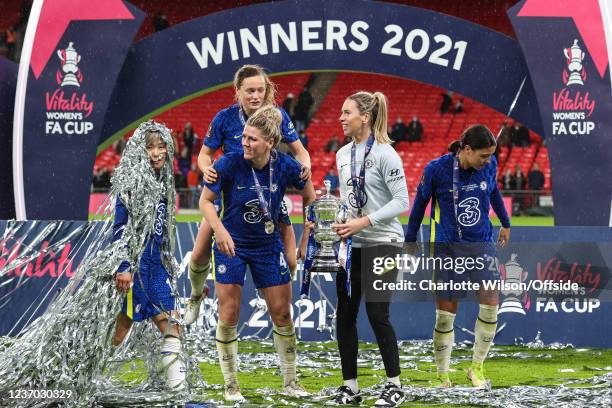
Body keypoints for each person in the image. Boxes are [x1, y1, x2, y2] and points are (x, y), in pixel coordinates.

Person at [200, 105, 315, 401]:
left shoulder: (287, 166)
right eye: (245, 137)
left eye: (252, 139)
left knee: (282, 314)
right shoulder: (228, 163)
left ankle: (291, 382)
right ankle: (231, 385)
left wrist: (304, 240)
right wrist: (219, 230)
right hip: (232, 244)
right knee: (229, 313)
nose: (245, 143)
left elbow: (311, 198)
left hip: (268, 246)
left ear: (271, 143)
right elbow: (204, 201)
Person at [185, 64, 311, 325]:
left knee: (290, 261)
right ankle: (196, 295)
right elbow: (204, 155)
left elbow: (300, 151)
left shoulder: (278, 116)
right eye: (250, 91)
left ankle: (271, 292)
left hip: (269, 197)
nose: (256, 96)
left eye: (260, 90)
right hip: (231, 200)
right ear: (238, 91)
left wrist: (306, 164)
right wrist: (206, 170)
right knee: (198, 254)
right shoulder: (224, 118)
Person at [405, 124, 511, 388]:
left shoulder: (490, 164)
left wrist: (506, 223)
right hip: (446, 246)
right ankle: (443, 375)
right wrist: (409, 239)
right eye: (483, 156)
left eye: (490, 156)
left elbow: (494, 191)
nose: (488, 161)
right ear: (466, 149)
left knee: (490, 304)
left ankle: (477, 368)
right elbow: (419, 204)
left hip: (481, 244)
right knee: (445, 315)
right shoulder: (436, 170)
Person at [323, 91, 410, 406]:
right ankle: (350, 387)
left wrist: (365, 222)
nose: (341, 118)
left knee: (377, 313)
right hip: (351, 246)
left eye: (347, 113)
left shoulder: (386, 154)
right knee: (344, 315)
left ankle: (395, 385)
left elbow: (402, 201)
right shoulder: (342, 153)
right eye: (341, 113)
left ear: (366, 117)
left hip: (384, 243)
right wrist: (334, 223)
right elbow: (350, 201)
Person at [112, 120, 186, 390]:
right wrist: (124, 267)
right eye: (149, 148)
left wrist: (167, 263)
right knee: (121, 330)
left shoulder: (166, 183)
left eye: (161, 146)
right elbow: (120, 229)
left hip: (158, 268)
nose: (155, 153)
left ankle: (176, 389)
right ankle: (90, 374)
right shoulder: (131, 185)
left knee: (171, 324)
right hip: (136, 268)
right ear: (138, 152)